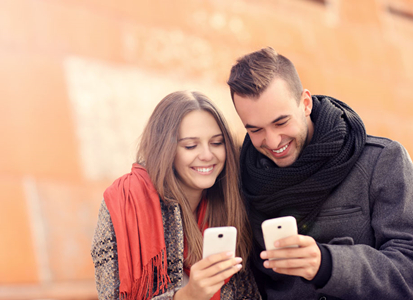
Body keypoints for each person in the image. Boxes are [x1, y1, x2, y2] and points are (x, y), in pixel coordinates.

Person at [227, 47, 413, 299]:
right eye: (255, 129)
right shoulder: (241, 178)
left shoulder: (382, 160)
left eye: (281, 122)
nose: (272, 141)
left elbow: (408, 266)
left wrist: (327, 265)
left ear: (305, 103)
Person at [91, 91, 261, 300]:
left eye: (217, 143)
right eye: (190, 145)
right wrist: (187, 297)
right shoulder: (124, 201)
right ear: (165, 149)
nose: (207, 155)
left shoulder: (231, 199)